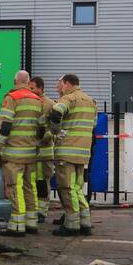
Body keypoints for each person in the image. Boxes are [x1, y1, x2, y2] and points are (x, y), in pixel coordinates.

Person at [0, 70, 42, 236]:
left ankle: (17, 225)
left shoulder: (12, 98)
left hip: (13, 154)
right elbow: (41, 129)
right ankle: (31, 222)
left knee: (14, 187)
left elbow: (5, 126)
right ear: (28, 82)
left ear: (15, 81)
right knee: (30, 186)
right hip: (31, 153)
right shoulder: (37, 100)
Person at [48, 73, 97, 237]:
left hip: (67, 152)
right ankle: (85, 222)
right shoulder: (90, 101)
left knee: (66, 188)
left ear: (67, 84)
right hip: (83, 153)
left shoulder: (68, 99)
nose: (59, 88)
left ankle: (71, 225)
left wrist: (56, 131)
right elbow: (94, 124)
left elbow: (55, 114)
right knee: (77, 189)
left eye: (60, 84)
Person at [28, 76, 55, 223]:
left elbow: (55, 128)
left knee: (43, 183)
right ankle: (33, 209)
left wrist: (43, 136)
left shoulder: (50, 104)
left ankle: (42, 212)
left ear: (41, 88)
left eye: (32, 88)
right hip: (31, 152)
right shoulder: (29, 102)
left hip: (44, 153)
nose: (30, 90)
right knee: (31, 182)